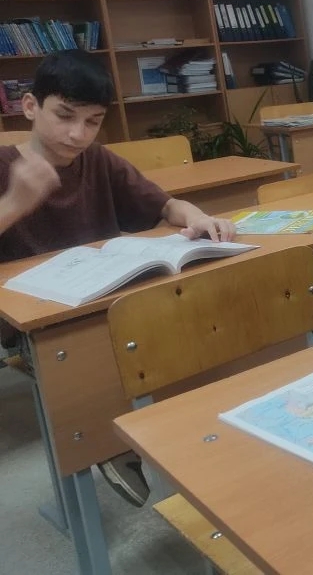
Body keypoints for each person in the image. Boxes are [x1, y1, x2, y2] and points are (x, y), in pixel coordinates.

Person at [0, 50, 236, 507]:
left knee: (188, 315)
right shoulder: (4, 165)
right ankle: (110, 440)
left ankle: (174, 430)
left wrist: (198, 217)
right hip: (36, 318)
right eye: (64, 116)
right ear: (30, 106)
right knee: (104, 346)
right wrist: (14, 202)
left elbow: (165, 206)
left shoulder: (99, 162)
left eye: (92, 122)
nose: (77, 134)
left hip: (108, 296)